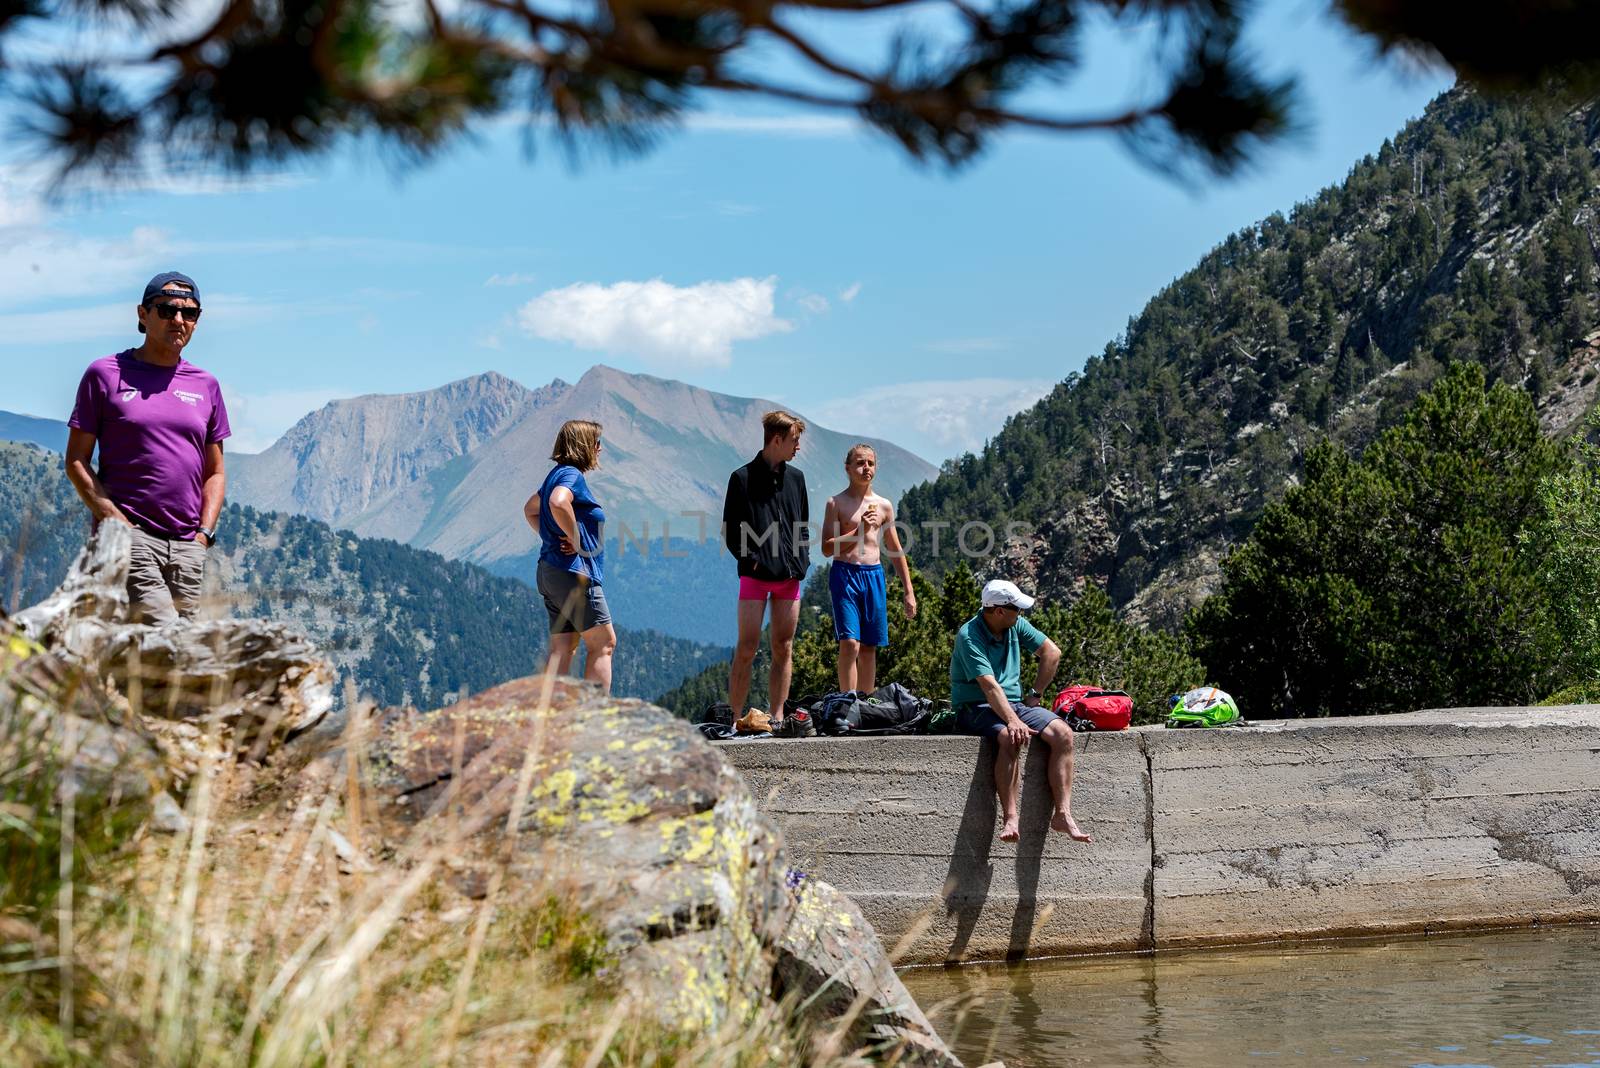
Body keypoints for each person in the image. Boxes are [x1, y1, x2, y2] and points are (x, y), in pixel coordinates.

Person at [65, 272, 230, 626]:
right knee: (168, 636)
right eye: (167, 310)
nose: (179, 320)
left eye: (190, 313)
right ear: (143, 314)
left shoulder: (206, 385)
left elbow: (214, 472)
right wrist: (118, 526)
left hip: (188, 546)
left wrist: (203, 536)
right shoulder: (105, 374)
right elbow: (76, 460)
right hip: (132, 538)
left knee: (168, 661)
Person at [948, 579, 1091, 844]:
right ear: (1000, 610)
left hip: (1014, 702)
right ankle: (1011, 817)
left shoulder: (1014, 625)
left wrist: (1035, 695)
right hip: (975, 706)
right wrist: (1013, 721)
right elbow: (989, 687)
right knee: (1009, 737)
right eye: (1017, 609)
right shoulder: (970, 635)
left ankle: (1062, 814)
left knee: (1063, 733)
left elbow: (1052, 652)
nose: (1021, 614)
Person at [722, 410, 809, 732]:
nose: (798, 448)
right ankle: (734, 718)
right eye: (794, 441)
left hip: (789, 577)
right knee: (746, 647)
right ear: (777, 440)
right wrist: (752, 559)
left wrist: (801, 560)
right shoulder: (741, 478)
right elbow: (730, 530)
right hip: (755, 578)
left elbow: (801, 525)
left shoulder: (797, 479)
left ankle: (777, 715)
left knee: (783, 647)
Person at [523, 419, 617, 694]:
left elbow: (530, 509)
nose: (599, 449)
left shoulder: (555, 473)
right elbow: (557, 502)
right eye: (597, 443)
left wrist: (551, 538)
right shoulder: (571, 476)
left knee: (563, 648)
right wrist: (576, 539)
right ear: (585, 446)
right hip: (574, 574)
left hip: (549, 571)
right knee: (604, 644)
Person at [821, 443, 916, 694]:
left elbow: (894, 549)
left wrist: (909, 590)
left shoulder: (884, 506)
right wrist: (859, 531)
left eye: (871, 463)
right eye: (860, 463)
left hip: (873, 575)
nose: (866, 469)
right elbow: (827, 548)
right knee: (850, 643)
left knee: (869, 647)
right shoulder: (836, 503)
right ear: (848, 468)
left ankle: (864, 704)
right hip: (845, 573)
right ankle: (846, 702)